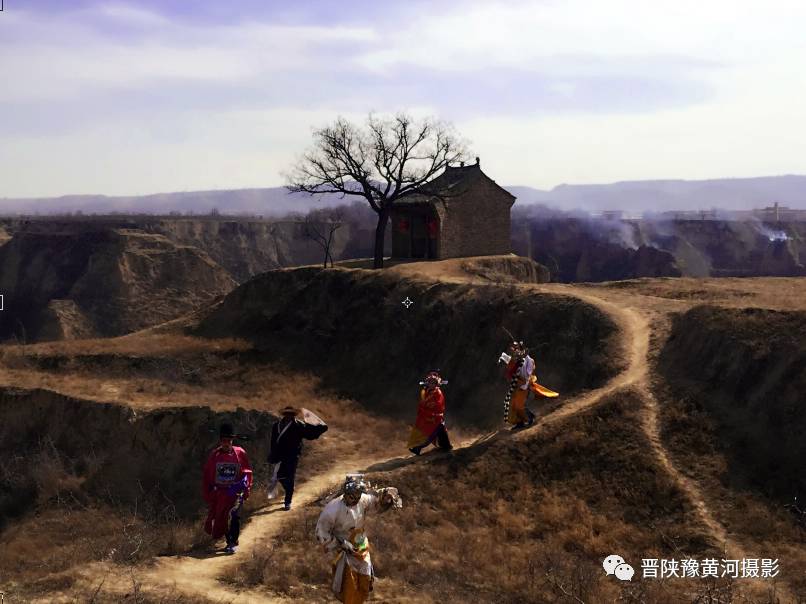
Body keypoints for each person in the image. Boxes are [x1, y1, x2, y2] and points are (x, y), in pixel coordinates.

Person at [315, 475, 402, 604]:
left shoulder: (363, 499)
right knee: (348, 583)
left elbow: (376, 502)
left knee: (365, 580)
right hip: (343, 549)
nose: (355, 498)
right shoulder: (332, 510)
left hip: (361, 545)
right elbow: (322, 533)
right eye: (352, 495)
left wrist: (386, 497)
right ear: (345, 493)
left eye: (358, 494)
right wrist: (340, 544)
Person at [202, 422, 253, 554]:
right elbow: (208, 475)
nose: (226, 443)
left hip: (236, 492)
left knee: (234, 514)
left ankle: (232, 542)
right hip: (220, 493)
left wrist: (245, 487)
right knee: (222, 517)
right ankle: (228, 540)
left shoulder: (240, 453)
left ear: (232, 440)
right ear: (220, 441)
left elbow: (247, 472)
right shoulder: (215, 456)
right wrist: (209, 491)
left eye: (229, 440)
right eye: (224, 440)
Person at [267, 406, 328, 510]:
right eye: (287, 414)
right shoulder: (276, 425)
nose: (289, 416)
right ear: (284, 414)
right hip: (279, 455)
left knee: (290, 477)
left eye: (291, 414)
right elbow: (273, 441)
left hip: (292, 455)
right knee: (280, 476)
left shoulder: (299, 425)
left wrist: (321, 427)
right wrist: (272, 454)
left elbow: (309, 434)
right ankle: (289, 490)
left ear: (294, 415)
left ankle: (288, 502)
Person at [501, 341, 559, 429]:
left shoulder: (529, 361)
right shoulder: (516, 360)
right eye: (514, 350)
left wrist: (524, 385)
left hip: (525, 385)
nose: (515, 352)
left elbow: (528, 375)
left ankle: (530, 417)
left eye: (517, 350)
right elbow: (509, 361)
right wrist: (503, 356)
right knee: (513, 405)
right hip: (519, 385)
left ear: (522, 350)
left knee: (519, 405)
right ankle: (520, 422)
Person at [406, 371, 452, 456]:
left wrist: (430, 409)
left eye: (433, 383)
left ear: (436, 384)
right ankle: (446, 446)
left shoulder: (438, 392)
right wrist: (424, 409)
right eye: (430, 382)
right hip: (428, 416)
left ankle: (418, 448)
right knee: (433, 432)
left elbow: (439, 405)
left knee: (432, 432)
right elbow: (422, 403)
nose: (431, 384)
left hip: (435, 417)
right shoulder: (426, 391)